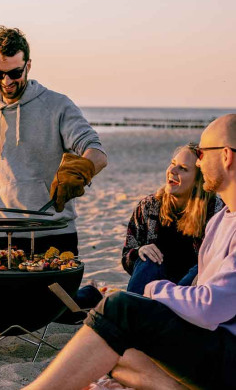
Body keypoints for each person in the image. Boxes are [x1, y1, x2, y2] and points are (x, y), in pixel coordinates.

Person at [24, 114, 236, 390]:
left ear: (226, 156)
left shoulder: (217, 214)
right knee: (116, 350)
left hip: (227, 354)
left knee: (119, 309)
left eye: (200, 153)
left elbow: (209, 307)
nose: (198, 161)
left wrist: (154, 291)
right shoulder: (222, 219)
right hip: (208, 337)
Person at [0, 26, 107, 256]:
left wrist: (82, 171)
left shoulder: (57, 105)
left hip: (54, 232)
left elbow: (97, 152)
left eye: (15, 73)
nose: (6, 81)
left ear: (28, 66)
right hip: (6, 237)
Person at [123, 143, 223, 294]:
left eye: (182, 168)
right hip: (154, 286)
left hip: (192, 291)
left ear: (198, 180)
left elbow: (222, 263)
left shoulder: (216, 210)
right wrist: (139, 252)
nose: (172, 171)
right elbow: (126, 257)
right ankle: (131, 307)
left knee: (202, 266)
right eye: (173, 164)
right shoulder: (149, 206)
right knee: (148, 259)